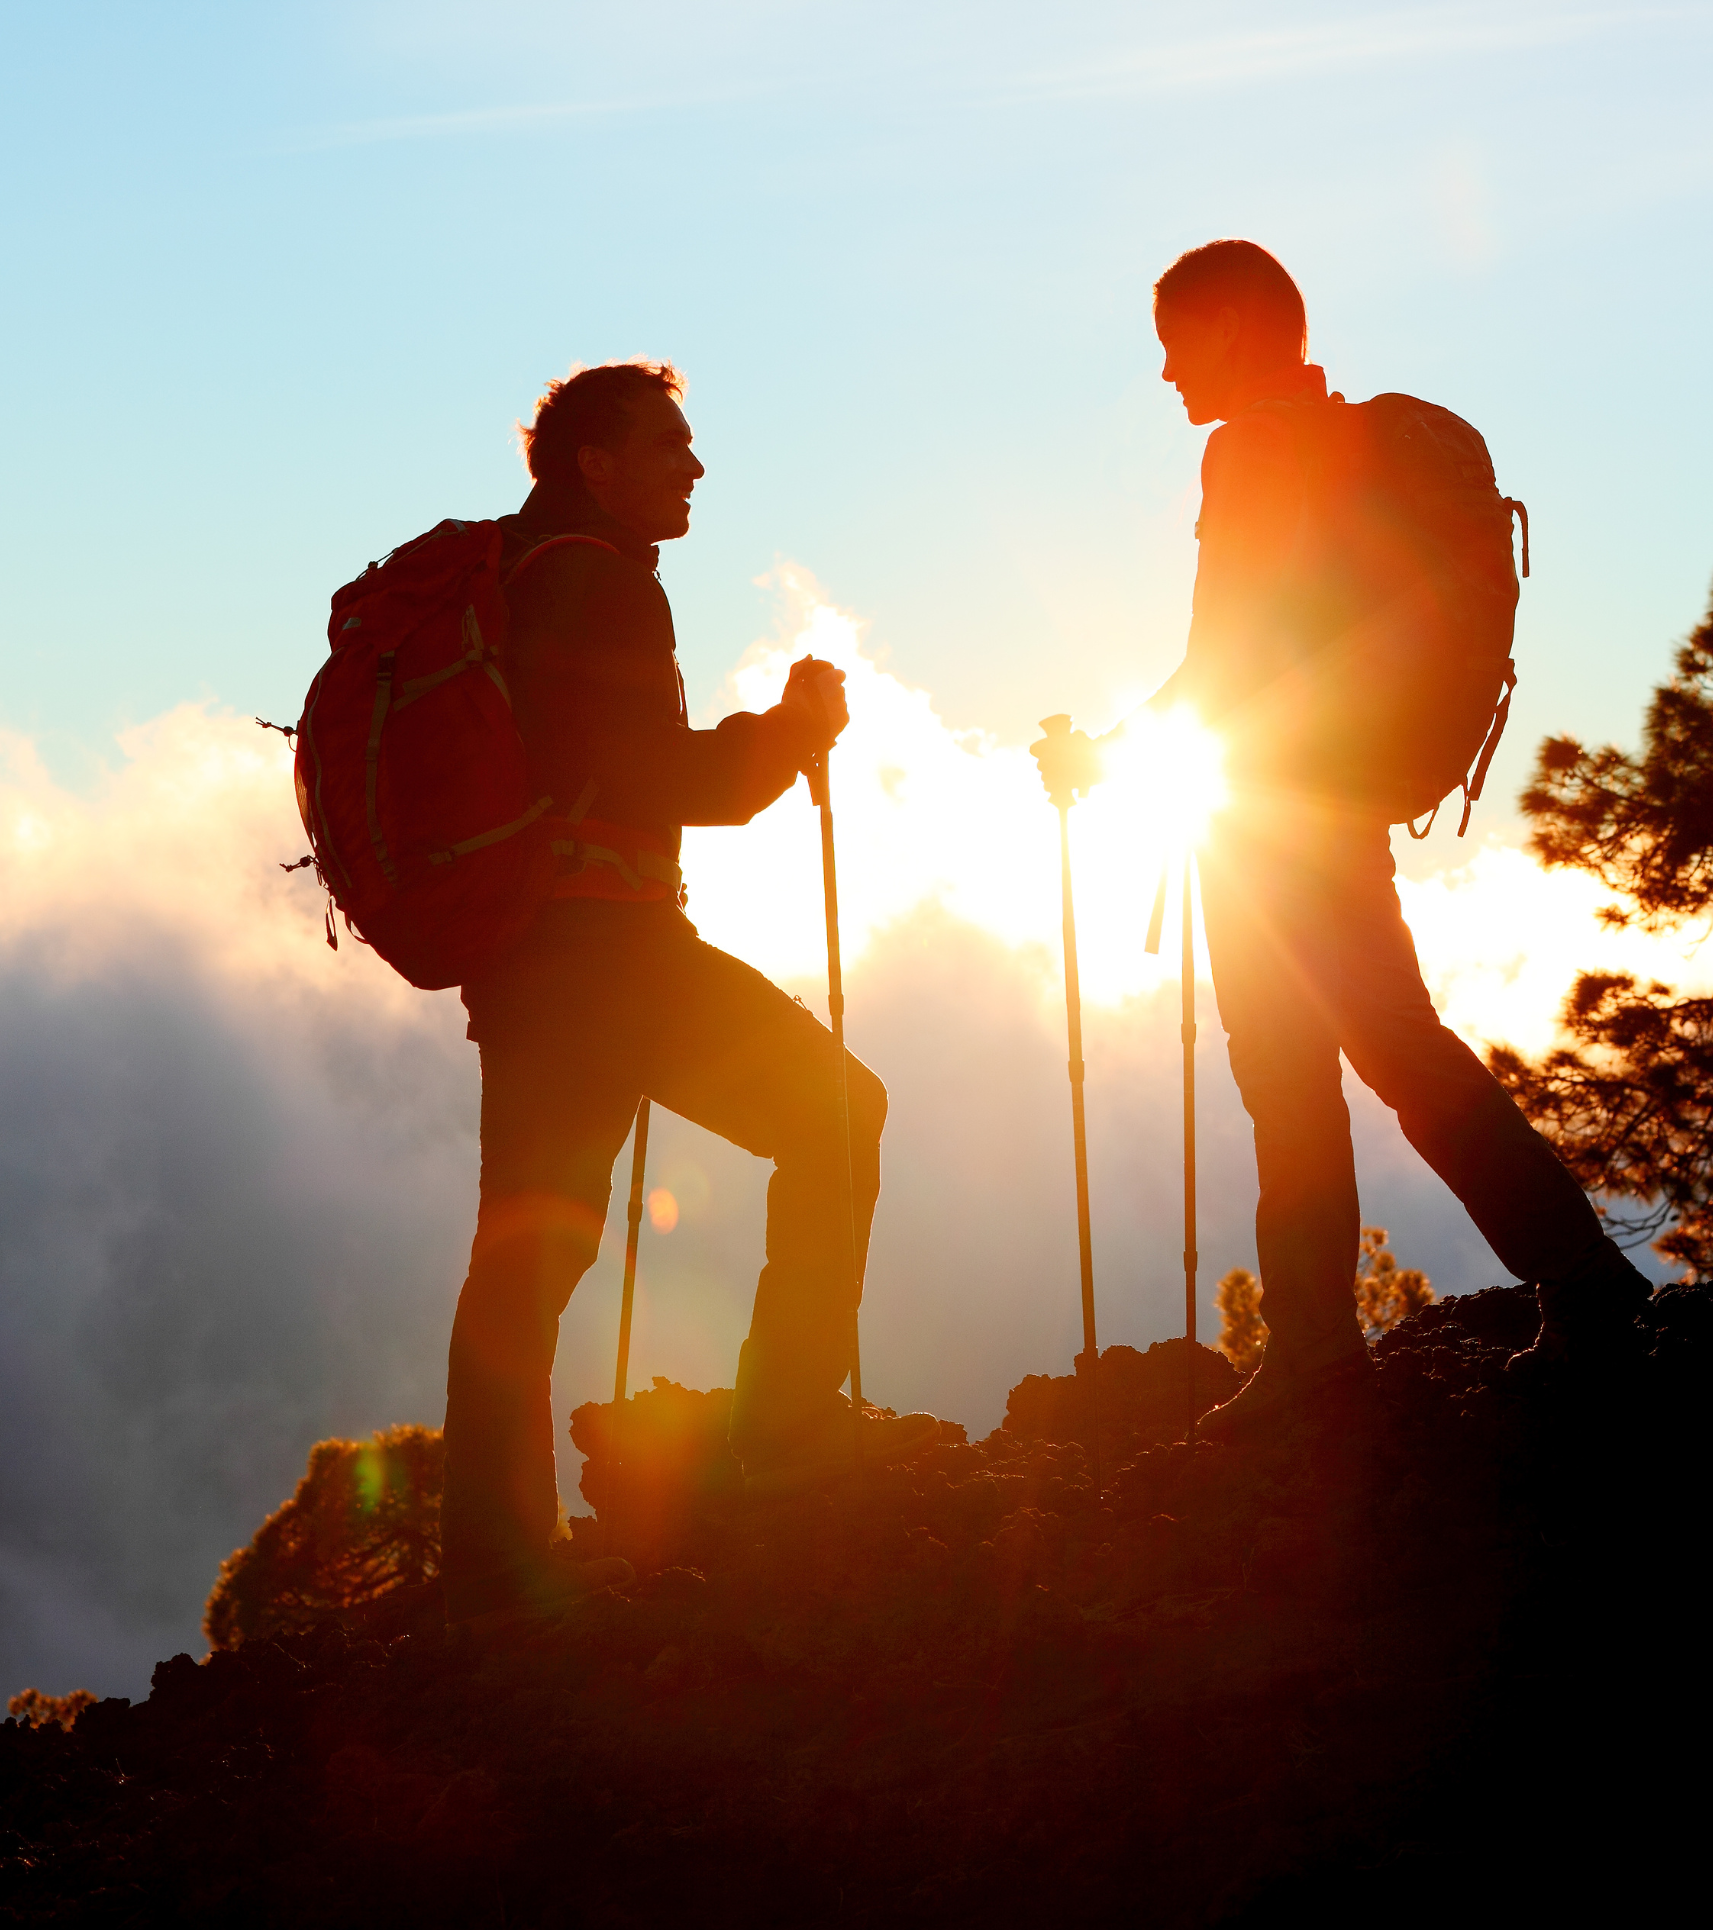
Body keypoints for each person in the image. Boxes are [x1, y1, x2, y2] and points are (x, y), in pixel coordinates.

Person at [1032, 242, 1651, 1442]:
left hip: (1273, 815)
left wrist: (1102, 757)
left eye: (1173, 340)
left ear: (1225, 327)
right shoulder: (1342, 445)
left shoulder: (1252, 447)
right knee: (1384, 1049)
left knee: (1304, 1070)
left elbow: (1225, 652)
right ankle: (1545, 1286)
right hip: (1334, 795)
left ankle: (1350, 1338)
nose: (1162, 372)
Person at [441, 360, 932, 1623]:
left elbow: (607, 770)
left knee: (528, 1251)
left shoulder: (527, 575)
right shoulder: (597, 582)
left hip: (531, 964)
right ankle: (787, 1428)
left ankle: (493, 1555)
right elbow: (668, 781)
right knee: (837, 1114)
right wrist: (790, 730)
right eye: (670, 444)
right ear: (594, 461)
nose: (694, 467)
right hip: (611, 958)